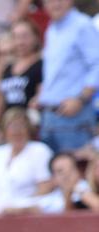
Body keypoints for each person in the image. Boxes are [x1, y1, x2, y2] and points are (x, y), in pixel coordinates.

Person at [36, 0, 99, 153]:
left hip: (74, 116)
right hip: (49, 115)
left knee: (73, 172)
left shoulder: (82, 25)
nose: (55, 4)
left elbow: (97, 65)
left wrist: (80, 99)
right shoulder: (52, 28)